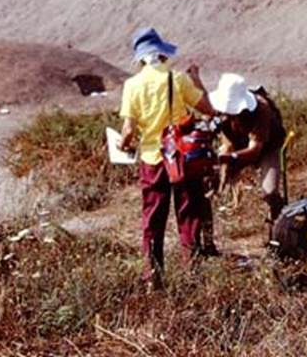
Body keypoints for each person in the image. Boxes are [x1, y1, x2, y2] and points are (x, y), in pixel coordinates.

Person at [119, 26, 215, 285]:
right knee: (188, 214)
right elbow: (208, 109)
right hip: (182, 157)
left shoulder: (132, 86)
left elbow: (128, 130)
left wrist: (123, 144)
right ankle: (191, 274)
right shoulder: (177, 79)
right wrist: (196, 79)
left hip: (152, 159)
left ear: (140, 58)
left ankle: (153, 278)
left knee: (153, 219)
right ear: (161, 54)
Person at [209, 73, 286, 224]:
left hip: (266, 148)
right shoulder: (218, 109)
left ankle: (280, 222)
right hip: (236, 146)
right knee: (207, 177)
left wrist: (229, 158)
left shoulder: (262, 109)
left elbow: (255, 150)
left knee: (269, 192)